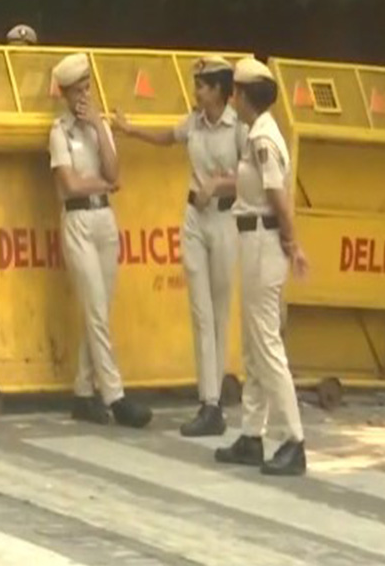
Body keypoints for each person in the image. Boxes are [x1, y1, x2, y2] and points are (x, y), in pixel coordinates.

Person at [112, 57, 244, 437]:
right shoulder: (195, 122)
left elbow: (254, 177)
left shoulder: (239, 128)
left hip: (225, 219)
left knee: (219, 312)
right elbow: (168, 138)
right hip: (194, 219)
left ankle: (214, 404)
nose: (196, 91)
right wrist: (131, 130)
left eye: (202, 85)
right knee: (200, 312)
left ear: (219, 89)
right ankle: (209, 402)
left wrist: (218, 185)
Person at [216, 57, 308, 476]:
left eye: (235, 91)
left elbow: (277, 196)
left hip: (264, 241)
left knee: (267, 345)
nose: (231, 98)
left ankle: (293, 439)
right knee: (254, 345)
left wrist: (292, 243)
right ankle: (252, 435)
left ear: (244, 95)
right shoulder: (257, 133)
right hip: (254, 238)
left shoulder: (263, 139)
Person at [49, 52, 152, 428]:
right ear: (64, 94)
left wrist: (97, 126)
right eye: (77, 91)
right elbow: (70, 184)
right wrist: (104, 184)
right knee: (94, 307)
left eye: (87, 88)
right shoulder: (59, 132)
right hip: (77, 218)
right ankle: (115, 395)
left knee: (101, 310)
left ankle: (83, 391)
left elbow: (114, 171)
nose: (84, 96)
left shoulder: (99, 125)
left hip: (105, 219)